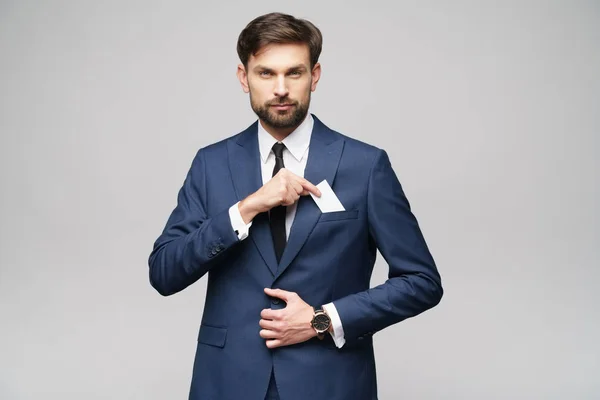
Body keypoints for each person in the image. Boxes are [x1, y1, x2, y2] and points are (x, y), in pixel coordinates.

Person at [148, 12, 443, 400]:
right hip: (227, 382)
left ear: (315, 76)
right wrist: (246, 208)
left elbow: (422, 283)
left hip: (330, 383)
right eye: (266, 74)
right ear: (243, 78)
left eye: (295, 73)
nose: (281, 89)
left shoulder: (365, 165)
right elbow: (164, 273)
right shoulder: (210, 163)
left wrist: (323, 319)